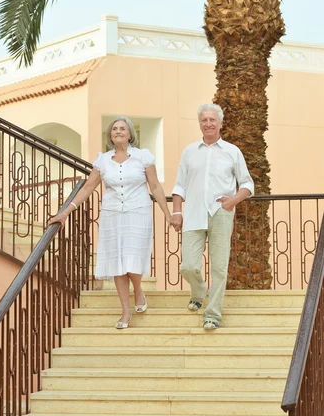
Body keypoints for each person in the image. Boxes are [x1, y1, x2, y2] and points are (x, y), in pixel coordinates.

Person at [49, 116, 171, 329]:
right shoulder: (103, 160)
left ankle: (139, 290)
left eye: (123, 128)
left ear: (130, 133)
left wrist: (168, 214)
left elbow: (155, 187)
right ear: (110, 135)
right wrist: (66, 212)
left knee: (132, 260)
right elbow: (87, 188)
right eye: (114, 129)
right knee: (117, 263)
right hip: (112, 214)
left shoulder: (143, 157)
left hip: (138, 212)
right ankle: (125, 312)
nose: (118, 131)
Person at [171, 103, 254, 330]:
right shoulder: (189, 151)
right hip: (194, 212)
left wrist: (233, 200)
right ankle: (199, 291)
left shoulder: (232, 151)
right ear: (200, 123)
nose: (208, 123)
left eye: (212, 120)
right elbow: (179, 186)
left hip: (221, 213)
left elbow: (248, 184)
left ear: (220, 123)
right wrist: (177, 212)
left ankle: (213, 314)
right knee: (188, 265)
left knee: (219, 267)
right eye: (204, 120)